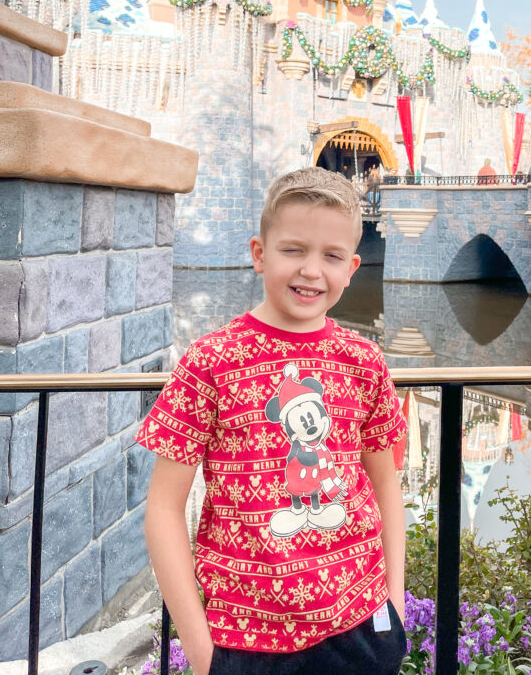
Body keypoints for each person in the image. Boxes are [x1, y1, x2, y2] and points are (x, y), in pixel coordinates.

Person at [137, 169, 408, 675]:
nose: (311, 270)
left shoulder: (364, 360)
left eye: (330, 256)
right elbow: (163, 511)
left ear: (351, 268)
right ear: (260, 253)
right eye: (293, 250)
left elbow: (384, 482)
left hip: (361, 625)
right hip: (246, 641)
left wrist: (392, 602)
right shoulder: (209, 361)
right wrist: (201, 650)